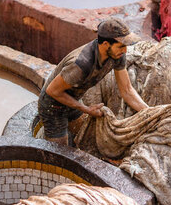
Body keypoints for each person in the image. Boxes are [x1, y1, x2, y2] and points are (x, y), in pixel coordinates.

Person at [38, 17, 148, 145]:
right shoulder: (82, 64)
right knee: (59, 151)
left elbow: (127, 90)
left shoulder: (117, 56)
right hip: (53, 106)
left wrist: (149, 112)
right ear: (106, 44)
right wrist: (85, 108)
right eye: (121, 46)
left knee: (83, 137)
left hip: (73, 100)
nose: (125, 51)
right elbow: (52, 91)